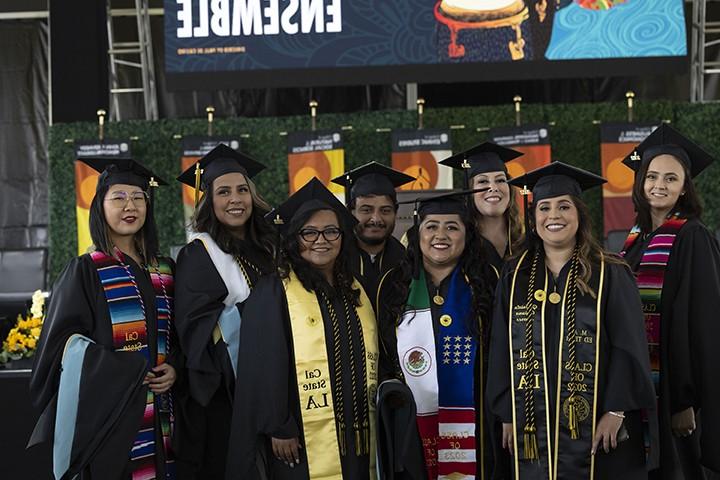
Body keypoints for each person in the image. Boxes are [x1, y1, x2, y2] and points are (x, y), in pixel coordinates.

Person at [487, 162, 656, 479]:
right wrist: (507, 411)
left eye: (564, 206)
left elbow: (628, 345)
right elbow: (500, 346)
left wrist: (616, 409)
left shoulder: (611, 273)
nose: (554, 216)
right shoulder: (515, 275)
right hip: (531, 422)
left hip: (597, 423)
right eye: (544, 208)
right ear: (534, 218)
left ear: (580, 215)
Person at [28, 158, 178, 480]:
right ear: (101, 206)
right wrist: (126, 369)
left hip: (166, 415)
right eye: (119, 198)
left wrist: (174, 367)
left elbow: (179, 335)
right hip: (113, 420)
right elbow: (60, 352)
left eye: (139, 198)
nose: (131, 206)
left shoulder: (164, 270)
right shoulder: (86, 270)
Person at [226, 177, 379, 480]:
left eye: (331, 231)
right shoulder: (275, 291)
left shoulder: (357, 289)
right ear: (295, 239)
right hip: (302, 437)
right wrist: (278, 424)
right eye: (309, 232)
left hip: (358, 429)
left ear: (343, 237)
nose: (321, 240)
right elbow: (263, 363)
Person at [619, 124, 720, 479]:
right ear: (640, 181)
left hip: (675, 398)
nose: (659, 185)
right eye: (652, 176)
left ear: (683, 188)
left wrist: (685, 402)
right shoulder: (634, 240)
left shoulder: (693, 237)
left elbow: (704, 326)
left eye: (671, 178)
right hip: (641, 394)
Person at [376, 189, 498, 480]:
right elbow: (381, 352)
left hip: (478, 417)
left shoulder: (488, 280)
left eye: (452, 227)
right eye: (431, 226)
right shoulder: (393, 284)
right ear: (417, 234)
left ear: (467, 235)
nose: (440, 235)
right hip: (411, 422)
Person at [173, 144, 275, 479]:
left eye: (242, 190)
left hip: (281, 382)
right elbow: (195, 328)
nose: (236, 199)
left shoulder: (271, 246)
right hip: (227, 396)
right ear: (210, 201)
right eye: (224, 192)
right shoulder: (198, 254)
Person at [440, 142, 525, 277]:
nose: (493, 187)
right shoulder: (458, 243)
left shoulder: (526, 238)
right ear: (469, 192)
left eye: (500, 180)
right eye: (483, 181)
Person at [331, 162, 415, 299]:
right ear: (350, 212)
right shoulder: (335, 259)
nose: (376, 219)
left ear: (395, 213)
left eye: (385, 211)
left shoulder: (405, 261)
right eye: (366, 210)